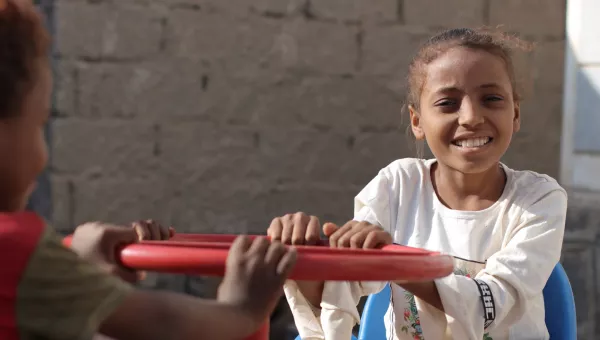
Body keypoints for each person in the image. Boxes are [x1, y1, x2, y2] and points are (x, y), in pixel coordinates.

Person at [0, 1, 297, 339]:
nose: (43, 153)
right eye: (38, 124)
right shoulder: (17, 251)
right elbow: (164, 322)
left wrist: (83, 275)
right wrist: (243, 308)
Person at [268, 28, 567, 340]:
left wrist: (394, 261)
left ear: (515, 113)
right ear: (417, 122)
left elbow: (490, 304)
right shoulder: (398, 185)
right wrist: (304, 257)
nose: (471, 117)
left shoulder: (539, 199)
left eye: (491, 99)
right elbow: (336, 296)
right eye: (448, 103)